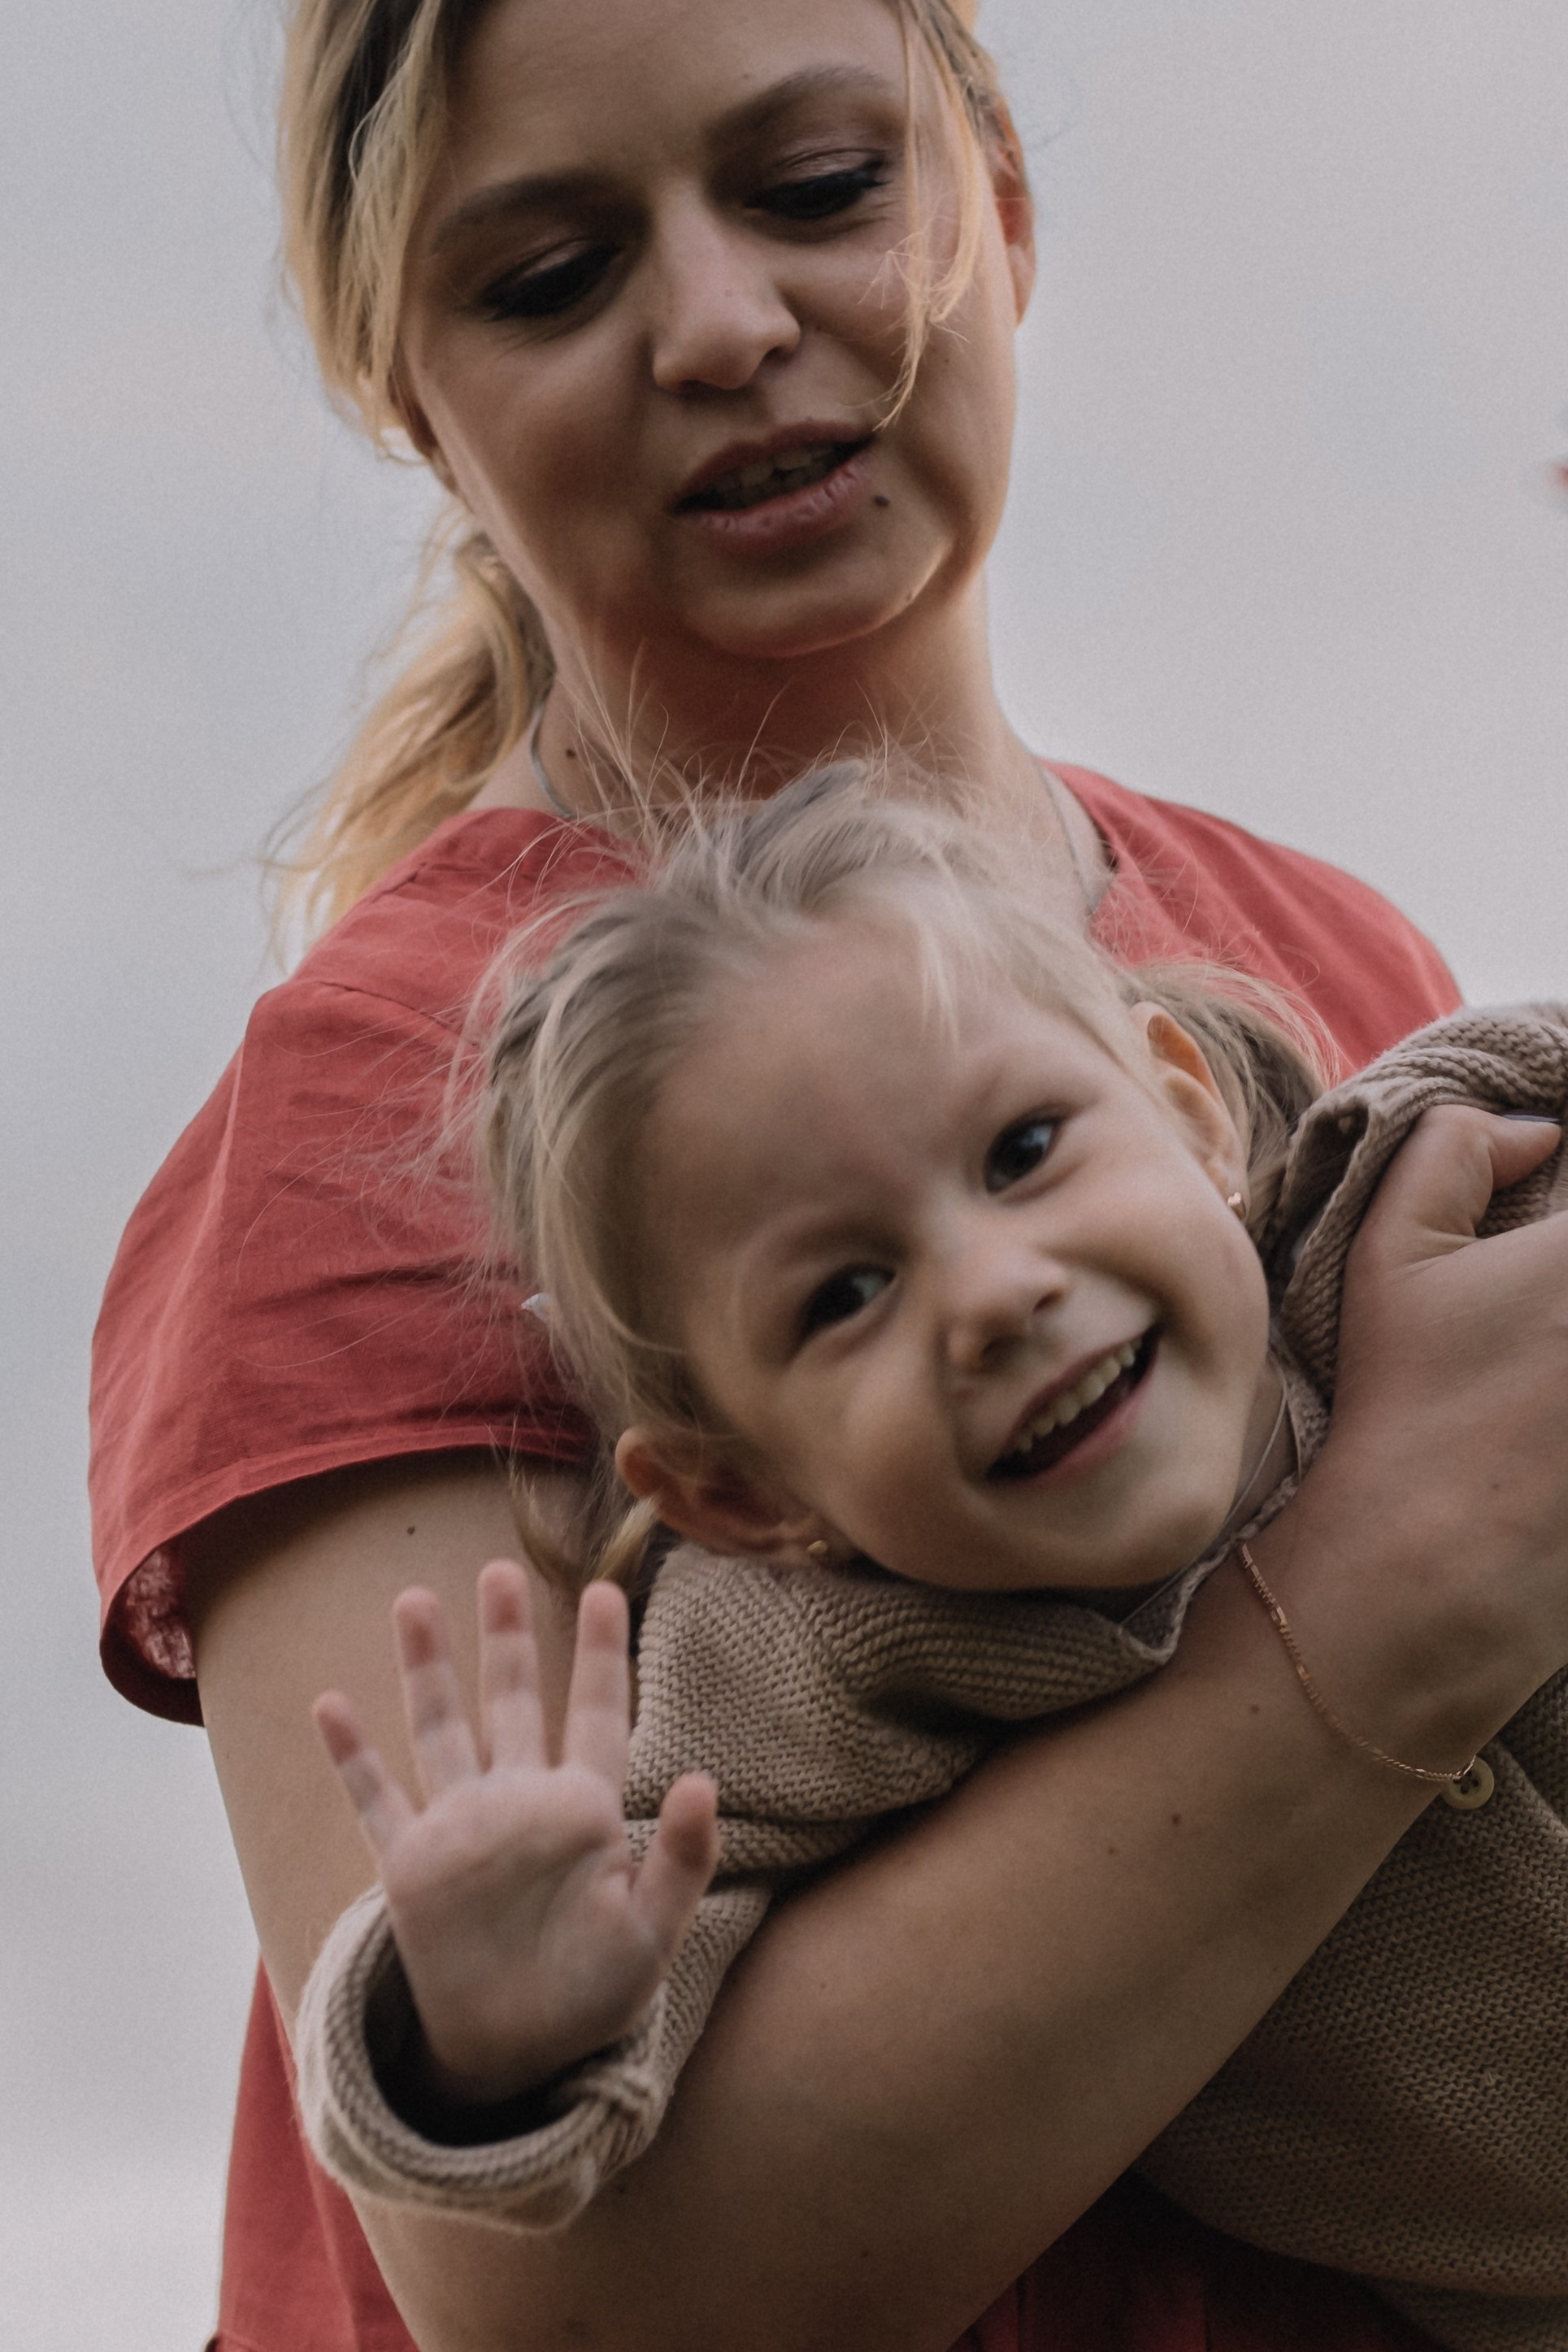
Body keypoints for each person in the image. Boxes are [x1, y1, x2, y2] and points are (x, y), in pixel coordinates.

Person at [85, 1, 1568, 2347]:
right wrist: (1399, 1583)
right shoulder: (390, 1106)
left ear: (1001, 204)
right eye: (551, 277)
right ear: (413, 403)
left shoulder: (1329, 948)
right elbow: (532, 2285)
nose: (718, 325)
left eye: (813, 191)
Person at [296, 778, 1568, 2352]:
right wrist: (476, 2037)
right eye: (841, 1295)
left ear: (1182, 1102)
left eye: (1023, 1147)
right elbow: (618, 1974)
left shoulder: (1422, 1198)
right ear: (741, 1489)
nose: (986, 1295)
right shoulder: (814, 1666)